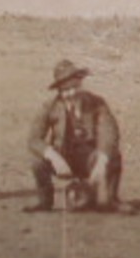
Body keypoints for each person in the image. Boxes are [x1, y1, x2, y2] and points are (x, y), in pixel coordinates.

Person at [25, 59, 132, 213]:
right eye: (66, 90)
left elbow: (110, 132)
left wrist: (101, 160)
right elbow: (34, 139)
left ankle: (111, 199)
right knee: (37, 160)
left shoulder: (97, 103)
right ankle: (45, 201)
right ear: (59, 91)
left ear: (80, 84)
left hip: (90, 158)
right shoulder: (50, 106)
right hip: (63, 157)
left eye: (75, 87)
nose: (71, 93)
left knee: (112, 157)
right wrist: (53, 157)